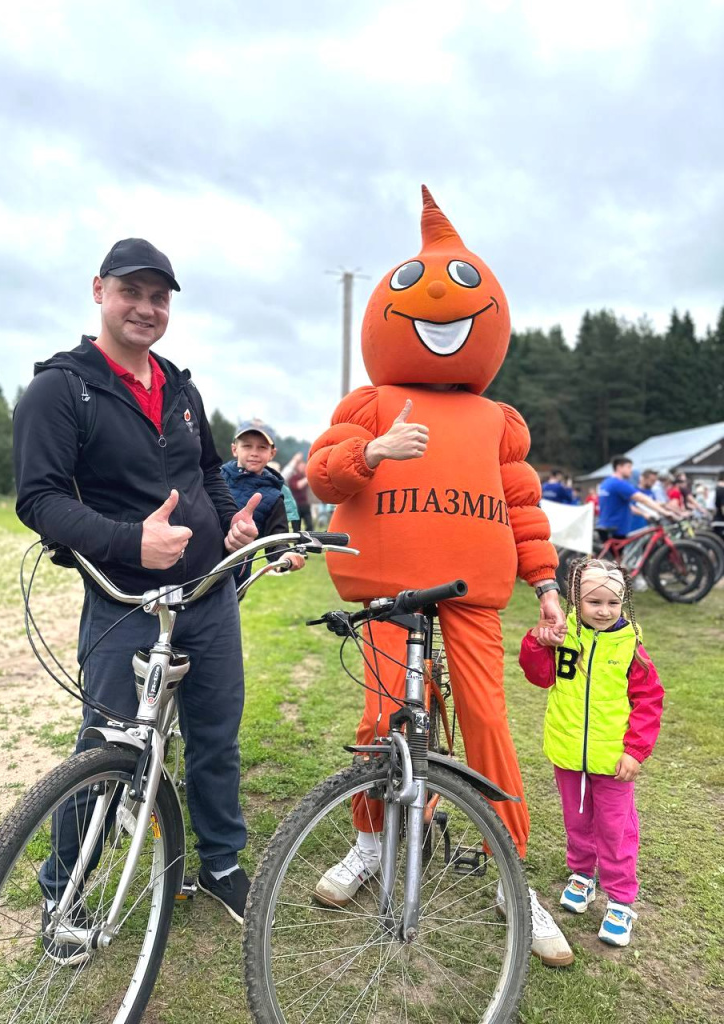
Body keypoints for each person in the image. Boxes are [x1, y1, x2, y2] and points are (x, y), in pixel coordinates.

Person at [307, 186, 573, 967]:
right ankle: (369, 843)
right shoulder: (372, 401)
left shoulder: (497, 419)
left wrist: (549, 586)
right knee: (378, 723)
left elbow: (523, 508)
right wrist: (373, 454)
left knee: (487, 724)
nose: (439, 309)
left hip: (472, 594)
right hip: (388, 590)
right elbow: (323, 474)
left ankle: (508, 873)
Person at [13, 238, 260, 935]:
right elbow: (38, 500)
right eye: (132, 292)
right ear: (99, 291)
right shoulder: (60, 389)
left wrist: (225, 523)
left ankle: (219, 862)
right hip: (125, 603)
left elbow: (209, 470)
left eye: (159, 297)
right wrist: (132, 542)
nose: (146, 308)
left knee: (216, 738)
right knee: (105, 750)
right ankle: (63, 890)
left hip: (209, 596)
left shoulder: (181, 387)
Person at [518, 558, 664, 947]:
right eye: (594, 602)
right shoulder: (563, 635)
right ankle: (582, 875)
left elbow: (650, 700)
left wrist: (634, 751)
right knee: (577, 820)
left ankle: (620, 899)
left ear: (624, 604)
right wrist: (537, 641)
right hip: (568, 753)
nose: (603, 611)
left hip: (613, 762)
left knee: (615, 830)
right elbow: (538, 675)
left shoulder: (631, 647)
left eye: (613, 603)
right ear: (575, 601)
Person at [221, 420, 306, 586]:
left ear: (272, 453)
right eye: (247, 446)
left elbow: (277, 540)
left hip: (233, 580)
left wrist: (284, 556)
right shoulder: (215, 480)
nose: (254, 453)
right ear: (234, 449)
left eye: (262, 447)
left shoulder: (274, 496)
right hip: (196, 573)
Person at [597, 457, 674, 542]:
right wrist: (665, 512)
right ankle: (586, 557)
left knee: (609, 554)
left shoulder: (605, 483)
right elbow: (642, 498)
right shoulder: (619, 484)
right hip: (616, 528)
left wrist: (644, 513)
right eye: (629, 467)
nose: (631, 470)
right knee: (611, 554)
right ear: (619, 467)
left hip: (606, 525)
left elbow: (628, 506)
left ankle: (588, 556)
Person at [286, 454, 314, 530]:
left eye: (304, 467)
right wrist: (308, 477)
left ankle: (309, 540)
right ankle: (297, 542)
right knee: (296, 528)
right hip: (295, 506)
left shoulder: (304, 477)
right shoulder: (293, 477)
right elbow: (298, 486)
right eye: (301, 466)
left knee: (310, 526)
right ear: (297, 467)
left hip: (305, 504)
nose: (303, 468)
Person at [628, 469, 659, 533]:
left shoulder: (650, 492)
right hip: (635, 526)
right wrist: (644, 514)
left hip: (649, 525)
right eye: (652, 481)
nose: (654, 483)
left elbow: (654, 505)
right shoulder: (634, 492)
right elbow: (630, 507)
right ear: (644, 479)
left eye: (655, 481)